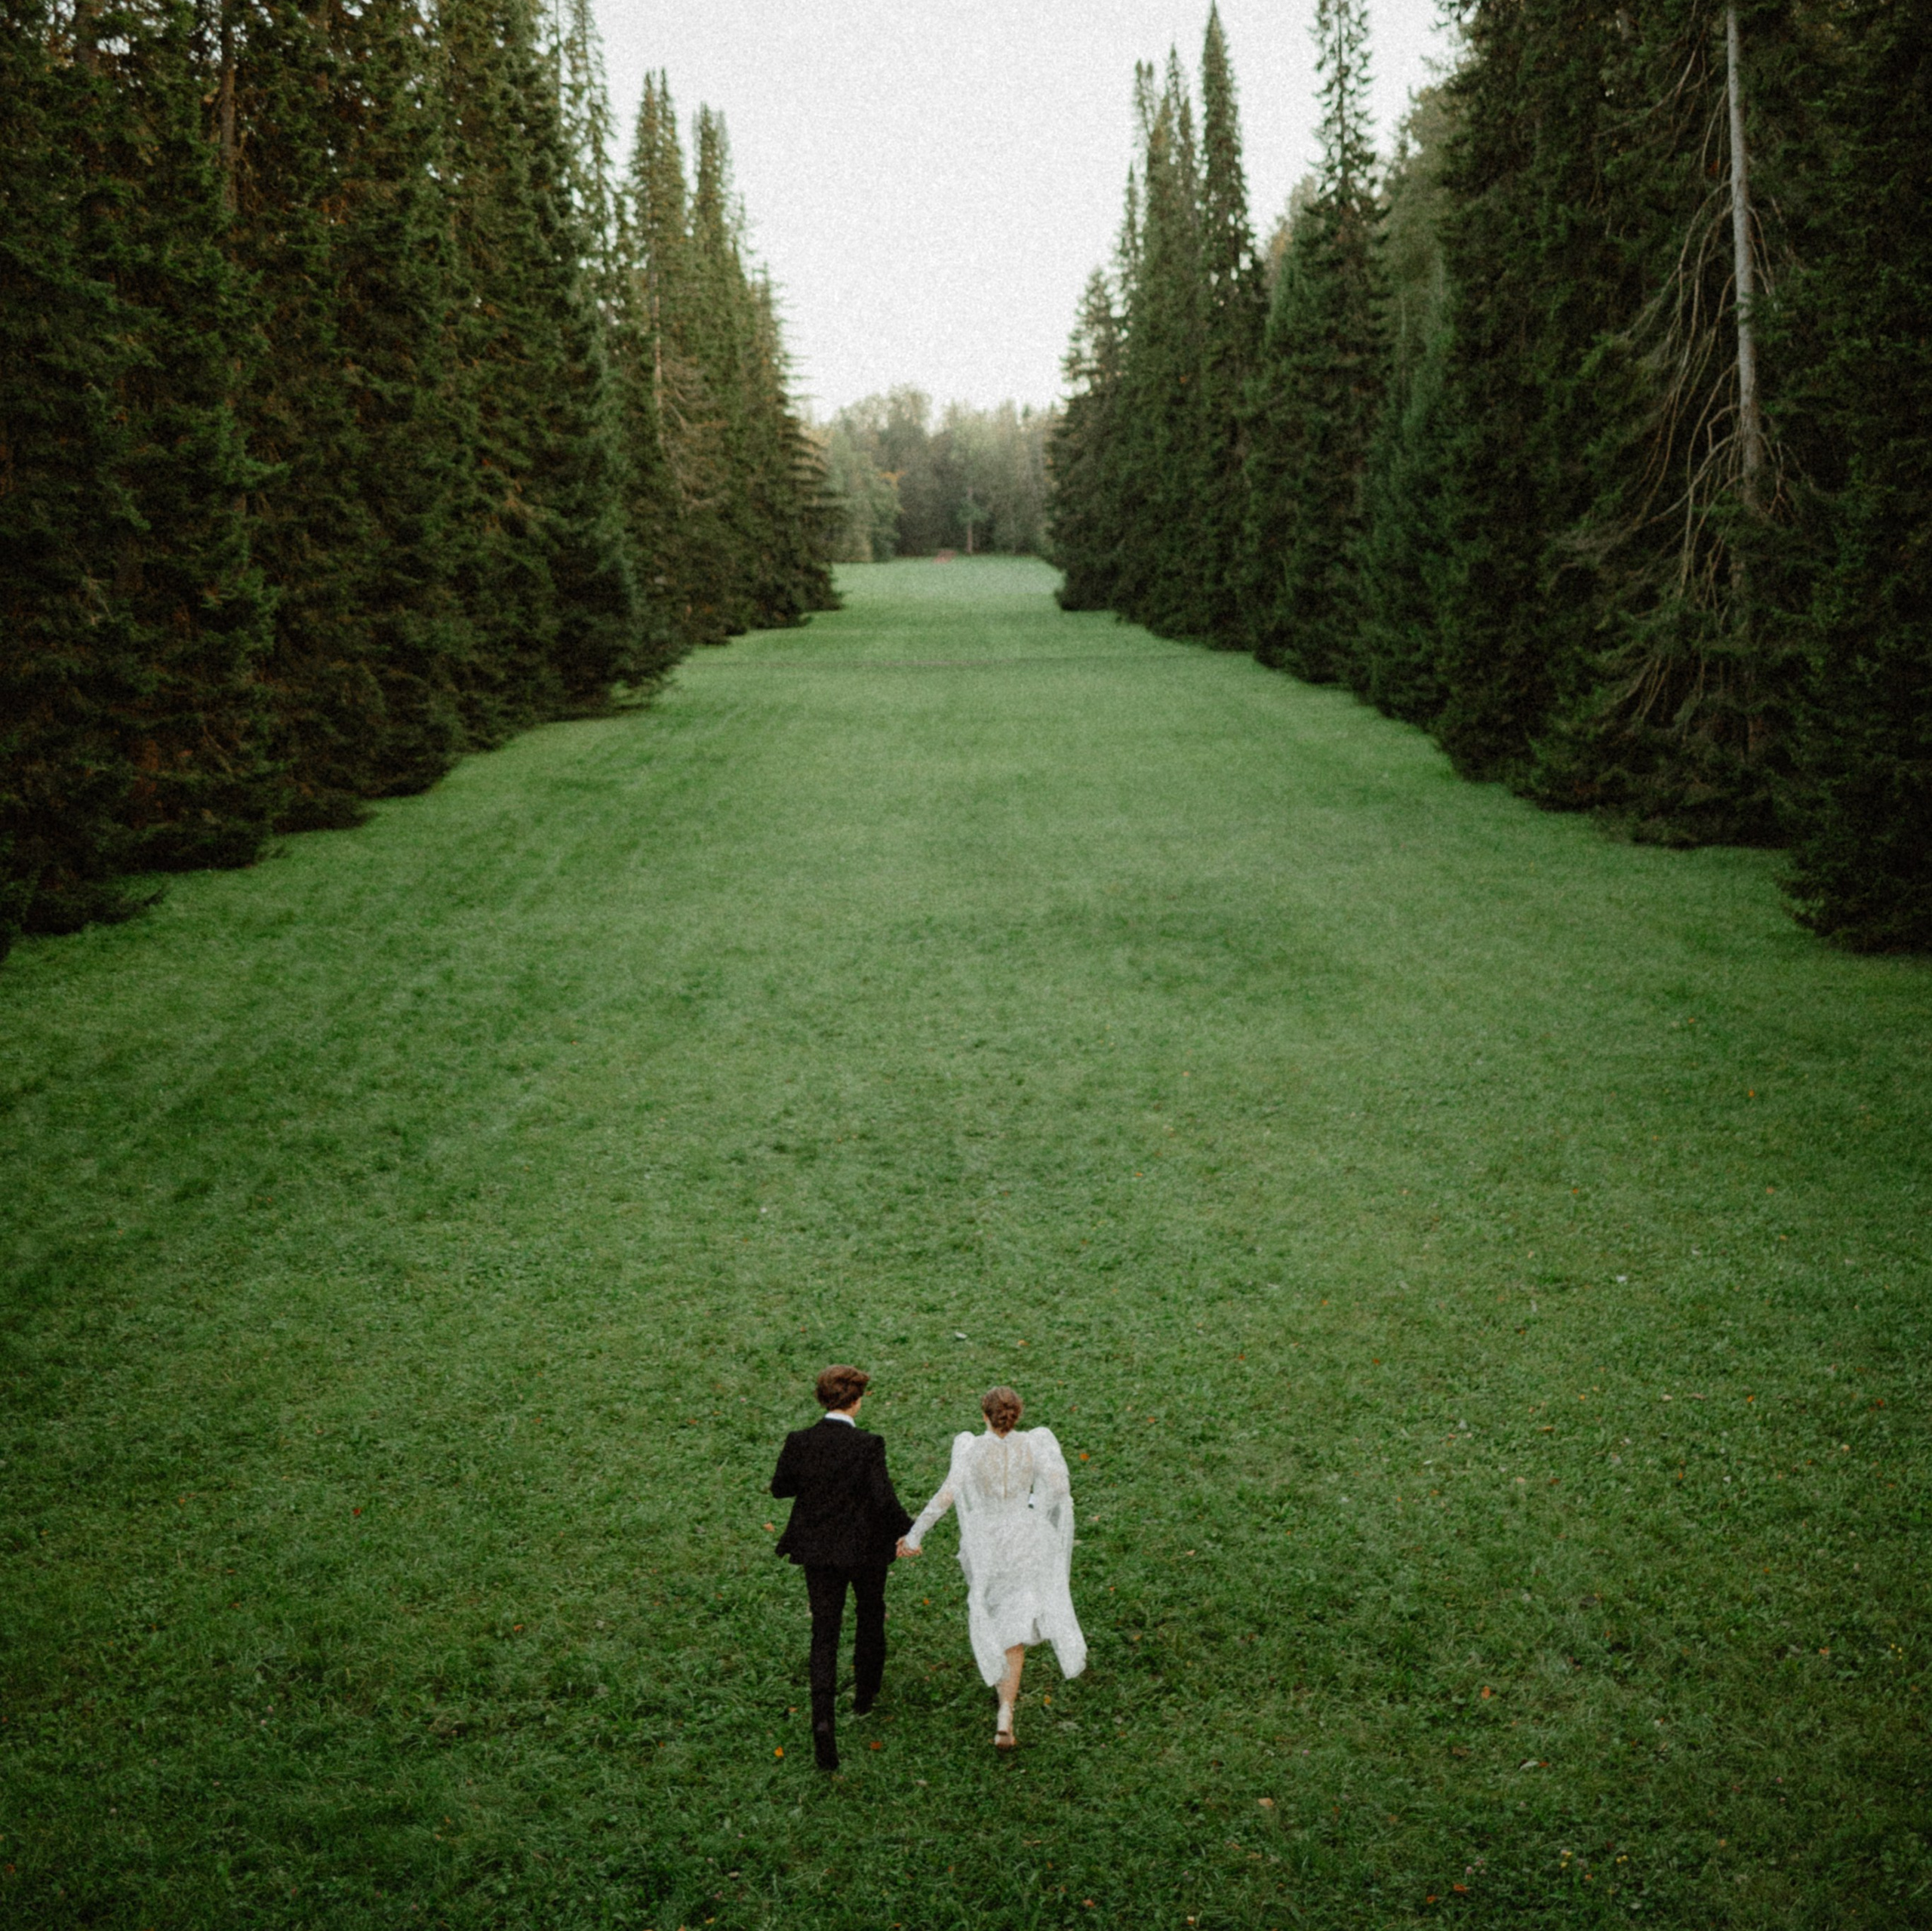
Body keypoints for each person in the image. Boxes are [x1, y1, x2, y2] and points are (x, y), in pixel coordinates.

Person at [899, 1385, 1086, 1748]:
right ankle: (1006, 1713)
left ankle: (1003, 1704)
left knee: (999, 1616)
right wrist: (1035, 1506)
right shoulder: (1034, 1444)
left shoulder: (971, 1447)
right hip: (1025, 1536)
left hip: (986, 1541)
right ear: (1017, 1416)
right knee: (1014, 1623)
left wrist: (914, 1535)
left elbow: (947, 1495)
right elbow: (1060, 1487)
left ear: (984, 1415)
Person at [769, 1364, 913, 1771]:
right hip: (866, 1549)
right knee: (870, 1617)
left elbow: (782, 1488)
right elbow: (883, 1499)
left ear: (822, 1399)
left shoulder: (800, 1441)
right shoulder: (868, 1445)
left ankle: (822, 1721)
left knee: (824, 1633)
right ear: (856, 1401)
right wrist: (911, 1532)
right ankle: (865, 1697)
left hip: (817, 1551)